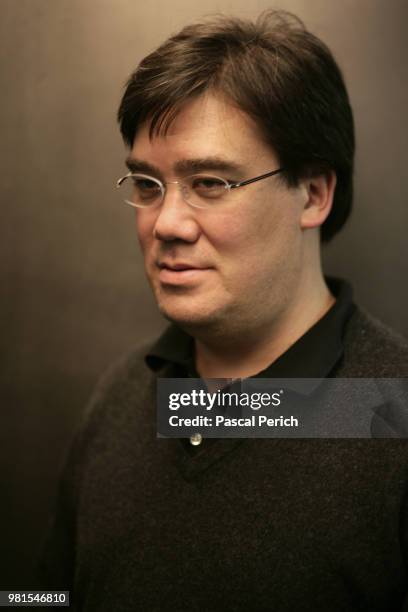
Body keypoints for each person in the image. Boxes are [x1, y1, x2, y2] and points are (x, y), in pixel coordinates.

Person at [40, 10, 408, 611]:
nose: (166, 223)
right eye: (147, 183)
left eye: (210, 182)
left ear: (313, 193)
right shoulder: (126, 394)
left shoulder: (391, 414)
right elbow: (47, 596)